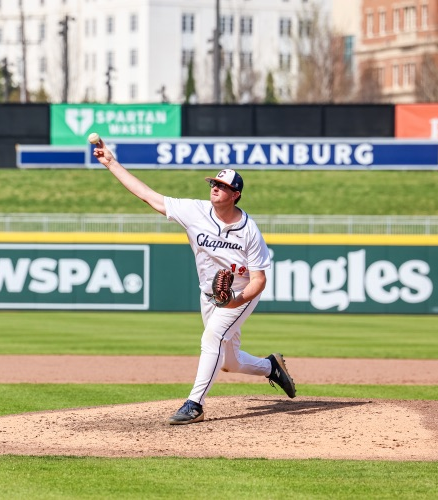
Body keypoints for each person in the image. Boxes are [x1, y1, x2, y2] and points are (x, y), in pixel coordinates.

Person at [92, 139, 295, 425]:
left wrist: (235, 300)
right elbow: (150, 196)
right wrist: (111, 163)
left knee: (211, 338)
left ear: (235, 195)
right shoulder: (195, 211)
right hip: (209, 294)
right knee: (228, 362)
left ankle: (194, 405)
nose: (215, 187)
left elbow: (259, 280)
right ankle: (271, 367)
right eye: (213, 183)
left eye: (222, 186)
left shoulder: (249, 231)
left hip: (240, 293)